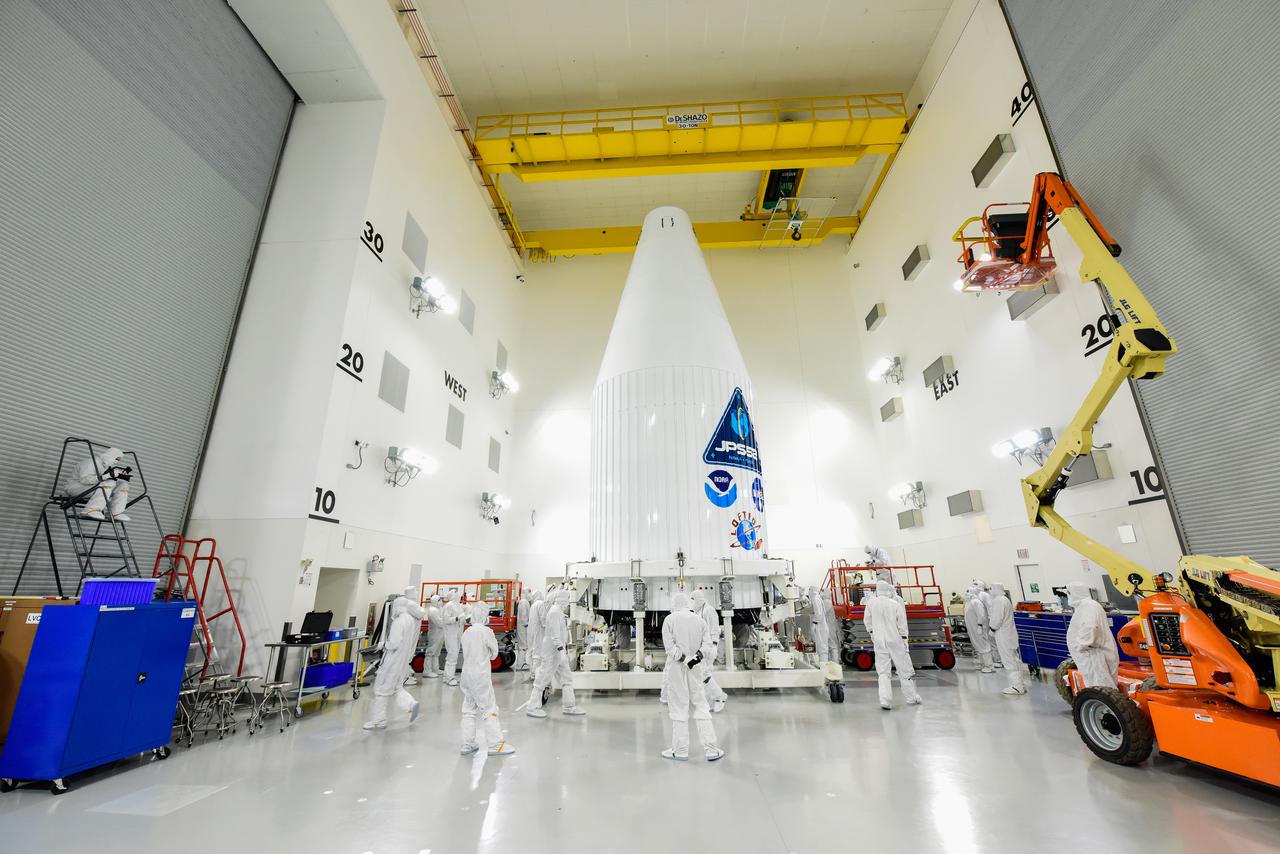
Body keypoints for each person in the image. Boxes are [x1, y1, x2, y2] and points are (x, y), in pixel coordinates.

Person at [660, 593, 723, 761]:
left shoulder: (670, 620)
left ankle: (680, 750)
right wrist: (695, 659)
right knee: (700, 704)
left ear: (674, 604)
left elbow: (669, 648)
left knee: (679, 707)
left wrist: (683, 658)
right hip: (695, 667)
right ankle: (711, 749)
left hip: (676, 668)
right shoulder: (699, 620)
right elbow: (707, 645)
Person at [460, 604, 515, 756]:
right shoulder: (486, 631)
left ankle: (468, 743)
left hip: (466, 675)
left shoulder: (467, 632)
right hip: (480, 675)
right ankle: (495, 745)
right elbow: (494, 654)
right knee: (489, 708)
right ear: (484, 615)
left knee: (468, 709)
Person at [527, 589, 586, 718]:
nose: (567, 602)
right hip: (552, 650)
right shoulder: (554, 612)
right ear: (560, 599)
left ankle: (569, 706)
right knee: (543, 677)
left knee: (567, 678)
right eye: (566, 600)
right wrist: (561, 651)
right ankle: (532, 707)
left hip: (558, 650)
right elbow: (554, 636)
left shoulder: (558, 612)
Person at [364, 597, 422, 729]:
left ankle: (378, 720)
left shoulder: (399, 621)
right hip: (402, 662)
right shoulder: (410, 620)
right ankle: (411, 704)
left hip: (392, 661)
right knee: (397, 687)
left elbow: (394, 643)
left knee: (381, 690)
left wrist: (383, 644)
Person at [863, 580, 922, 710]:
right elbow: (902, 625)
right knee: (903, 670)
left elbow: (867, 621)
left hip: (879, 642)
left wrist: (873, 634)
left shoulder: (871, 603)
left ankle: (885, 700)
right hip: (895, 641)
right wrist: (904, 642)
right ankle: (911, 697)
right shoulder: (895, 604)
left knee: (883, 672)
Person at [1065, 582, 1119, 689]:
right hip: (1092, 652)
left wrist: (1082, 645)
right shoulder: (1086, 605)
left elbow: (1090, 626)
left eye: (1069, 593)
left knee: (1101, 686)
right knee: (1099, 684)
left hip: (1093, 654)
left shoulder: (1087, 606)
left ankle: (1105, 705)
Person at [64, 446, 131, 522]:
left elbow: (102, 479)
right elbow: (85, 480)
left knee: (123, 485)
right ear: (111, 455)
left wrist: (120, 475)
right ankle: (91, 510)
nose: (116, 462)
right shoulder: (91, 462)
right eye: (116, 459)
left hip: (91, 487)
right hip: (75, 487)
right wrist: (107, 476)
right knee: (108, 482)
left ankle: (115, 512)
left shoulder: (105, 465)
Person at [690, 590, 727, 712]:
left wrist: (714, 646)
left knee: (704, 674)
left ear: (699, 599)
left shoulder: (708, 610)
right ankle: (709, 701)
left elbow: (715, 629)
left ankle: (720, 696)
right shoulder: (700, 611)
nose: (692, 603)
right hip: (703, 648)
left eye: (693, 599)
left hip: (709, 647)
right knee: (704, 674)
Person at [987, 584, 1027, 695]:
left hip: (1003, 634)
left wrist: (992, 628)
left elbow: (997, 619)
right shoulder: (1005, 599)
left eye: (990, 589)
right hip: (1009, 634)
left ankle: (1016, 687)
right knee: (1014, 659)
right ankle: (1019, 684)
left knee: (1009, 660)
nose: (989, 591)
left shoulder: (999, 601)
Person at [396, 586, 426, 685]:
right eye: (416, 591)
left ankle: (405, 675)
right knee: (407, 653)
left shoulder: (408, 603)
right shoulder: (411, 604)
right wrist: (422, 609)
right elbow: (421, 613)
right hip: (410, 633)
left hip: (411, 632)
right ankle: (403, 677)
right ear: (412, 593)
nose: (417, 593)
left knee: (408, 653)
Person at [963, 587, 994, 673]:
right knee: (977, 645)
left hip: (978, 628)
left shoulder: (976, 602)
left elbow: (981, 615)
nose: (966, 594)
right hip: (972, 628)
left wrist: (980, 625)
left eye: (968, 592)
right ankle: (983, 663)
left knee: (984, 645)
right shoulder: (968, 603)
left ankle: (989, 665)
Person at [976, 582, 1003, 668]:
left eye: (975, 584)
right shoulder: (978, 596)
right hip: (984, 621)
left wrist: (992, 621)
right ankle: (993, 660)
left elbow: (990, 607)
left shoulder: (984, 595)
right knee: (987, 640)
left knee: (992, 640)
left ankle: (998, 660)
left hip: (989, 621)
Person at [441, 591, 462, 686]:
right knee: (452, 654)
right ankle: (449, 678)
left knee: (454, 654)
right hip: (451, 633)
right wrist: (457, 618)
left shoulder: (458, 605)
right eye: (456, 592)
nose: (459, 594)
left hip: (457, 633)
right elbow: (446, 620)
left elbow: (461, 618)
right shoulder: (449, 605)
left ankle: (448, 676)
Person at [526, 589, 547, 683]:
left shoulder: (533, 605)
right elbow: (544, 620)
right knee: (538, 654)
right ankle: (536, 675)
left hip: (532, 632)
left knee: (533, 652)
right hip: (539, 632)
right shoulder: (541, 604)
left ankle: (532, 674)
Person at [807, 585, 830, 665]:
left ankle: (824, 669)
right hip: (821, 626)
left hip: (820, 627)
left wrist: (814, 623)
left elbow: (819, 614)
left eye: (809, 590)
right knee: (821, 648)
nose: (808, 591)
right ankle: (823, 667)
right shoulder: (817, 598)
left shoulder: (815, 599)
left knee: (822, 649)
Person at [424, 595, 444, 678]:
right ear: (435, 601)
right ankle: (427, 671)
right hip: (434, 633)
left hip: (440, 633)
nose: (441, 602)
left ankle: (435, 669)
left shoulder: (438, 609)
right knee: (431, 652)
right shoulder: (433, 610)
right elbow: (439, 623)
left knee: (436, 652)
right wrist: (447, 621)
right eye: (440, 600)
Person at [515, 588, 532, 670]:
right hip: (523, 627)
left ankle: (522, 663)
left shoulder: (523, 602)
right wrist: (527, 624)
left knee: (524, 646)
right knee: (523, 646)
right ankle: (519, 665)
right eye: (529, 592)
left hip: (522, 627)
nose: (530, 594)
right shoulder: (524, 602)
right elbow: (523, 615)